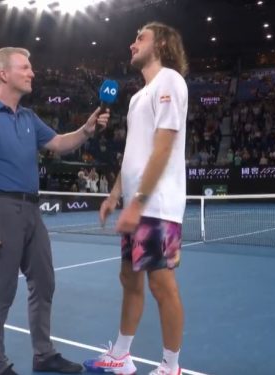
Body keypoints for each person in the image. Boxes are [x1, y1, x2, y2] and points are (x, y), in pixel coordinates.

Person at [0, 46, 110, 375]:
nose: (33, 73)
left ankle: (43, 354)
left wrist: (86, 129)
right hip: (2, 207)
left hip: (33, 209)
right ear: (4, 74)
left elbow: (58, 144)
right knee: (2, 290)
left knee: (44, 283)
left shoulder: (29, 117)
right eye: (25, 67)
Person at [84, 22, 189, 375]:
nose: (132, 44)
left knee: (161, 283)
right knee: (129, 278)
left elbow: (163, 145)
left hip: (157, 204)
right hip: (136, 202)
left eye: (139, 38)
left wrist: (139, 201)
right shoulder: (135, 97)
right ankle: (121, 355)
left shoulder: (170, 81)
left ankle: (170, 367)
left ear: (160, 42)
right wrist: (115, 195)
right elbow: (134, 152)